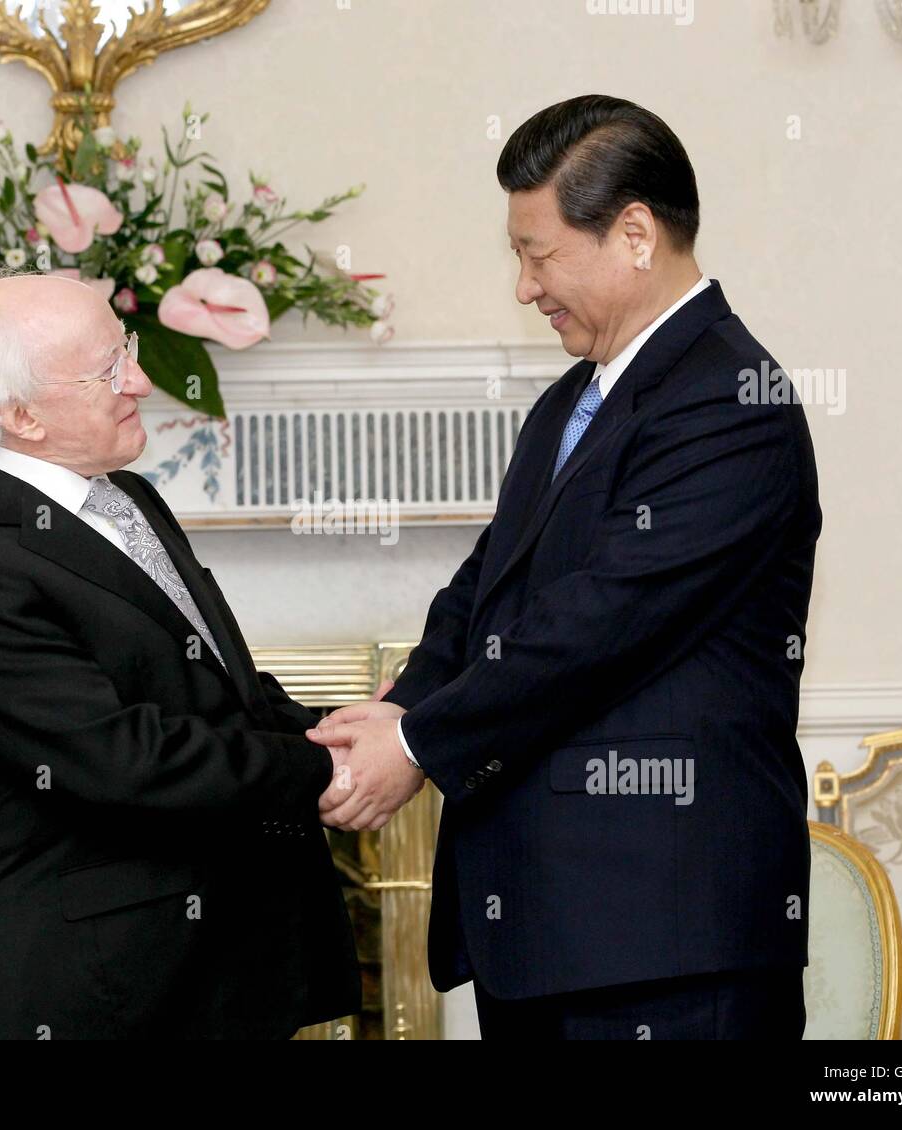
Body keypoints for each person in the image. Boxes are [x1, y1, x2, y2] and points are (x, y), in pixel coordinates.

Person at [309, 94, 820, 1040]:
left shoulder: (732, 402)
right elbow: (485, 588)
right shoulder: (571, 400)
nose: (524, 286)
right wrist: (402, 706)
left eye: (537, 254)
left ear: (634, 233)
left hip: (660, 940)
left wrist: (416, 747)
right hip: (554, 937)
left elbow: (600, 625)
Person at [0, 269, 360, 1039]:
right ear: (20, 414)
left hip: (220, 966)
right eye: (109, 370)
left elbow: (213, 687)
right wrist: (326, 770)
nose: (142, 382)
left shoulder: (126, 494)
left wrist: (348, 726)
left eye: (129, 351)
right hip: (102, 991)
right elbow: (123, 759)